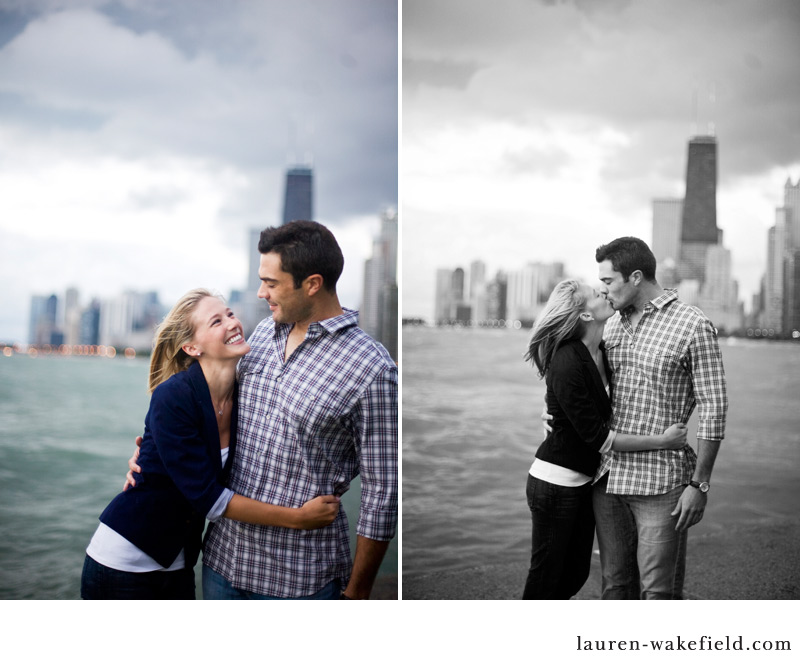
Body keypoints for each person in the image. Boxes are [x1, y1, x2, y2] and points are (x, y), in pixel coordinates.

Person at [129, 220, 398, 600]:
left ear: (312, 284)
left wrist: (358, 591)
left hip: (300, 579)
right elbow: (207, 409)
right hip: (222, 564)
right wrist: (154, 454)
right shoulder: (262, 335)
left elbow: (382, 493)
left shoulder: (371, 368)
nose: (260, 293)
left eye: (271, 283)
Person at [81, 289, 340, 600]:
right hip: (122, 563)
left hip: (178, 564)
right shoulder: (174, 395)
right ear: (192, 346)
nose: (232, 323)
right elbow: (209, 498)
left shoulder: (244, 395)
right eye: (216, 321)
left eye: (230, 314)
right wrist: (298, 518)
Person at [522, 279, 688, 599]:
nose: (606, 293)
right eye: (598, 293)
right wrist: (662, 440)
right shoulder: (568, 359)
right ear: (586, 314)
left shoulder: (601, 350)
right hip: (556, 484)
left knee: (575, 574)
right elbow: (600, 438)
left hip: (584, 481)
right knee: (546, 578)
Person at [592, 236, 728, 599]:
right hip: (608, 478)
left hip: (661, 483)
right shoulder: (612, 325)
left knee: (657, 593)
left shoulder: (692, 324)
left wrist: (699, 486)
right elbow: (595, 387)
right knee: (615, 587)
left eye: (608, 281)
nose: (603, 291)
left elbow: (714, 407)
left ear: (635, 277)